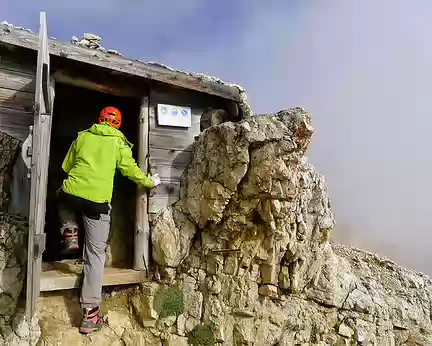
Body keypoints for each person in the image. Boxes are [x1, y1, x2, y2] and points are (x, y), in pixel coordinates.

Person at [57, 106, 160, 334]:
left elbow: (66, 167)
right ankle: (90, 316)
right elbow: (129, 170)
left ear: (99, 120)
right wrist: (149, 182)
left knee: (62, 195)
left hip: (72, 194)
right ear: (118, 124)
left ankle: (70, 228)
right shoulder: (118, 142)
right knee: (96, 255)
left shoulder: (82, 136)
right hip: (98, 202)